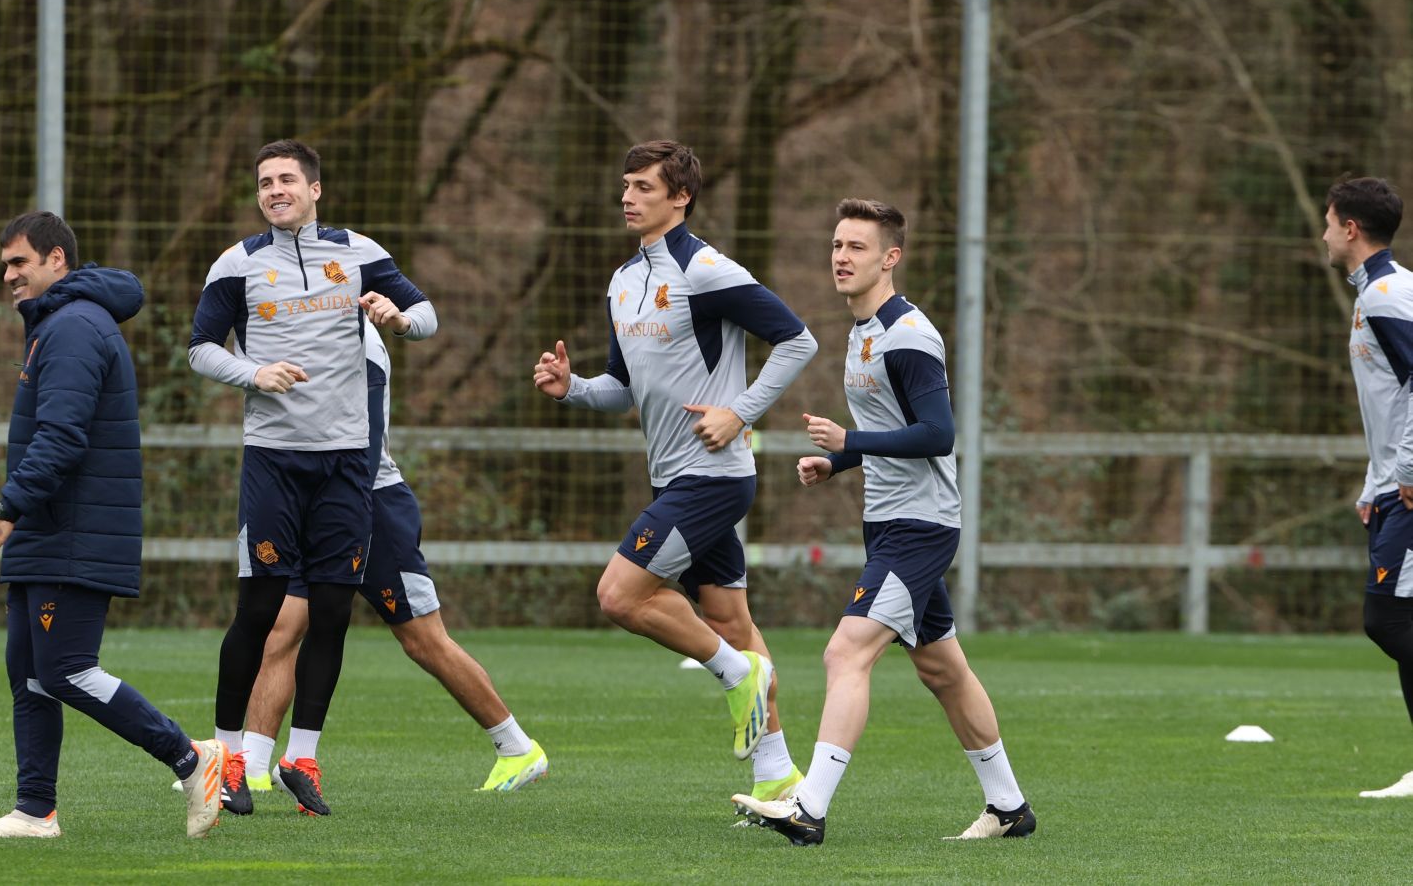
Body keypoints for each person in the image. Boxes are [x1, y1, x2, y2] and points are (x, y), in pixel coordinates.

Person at [732, 199, 1034, 845]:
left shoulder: (908, 336)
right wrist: (839, 460)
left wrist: (852, 441)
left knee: (845, 653)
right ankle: (1009, 809)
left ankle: (808, 809)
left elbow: (939, 435)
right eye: (837, 245)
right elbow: (897, 430)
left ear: (890, 258)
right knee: (942, 669)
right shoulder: (862, 329)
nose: (841, 256)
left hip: (921, 529)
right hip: (891, 520)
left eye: (857, 247)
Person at [533, 140, 817, 803]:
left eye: (643, 187)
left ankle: (733, 675)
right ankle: (778, 778)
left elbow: (798, 339)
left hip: (714, 477)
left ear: (680, 197)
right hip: (674, 479)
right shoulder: (622, 281)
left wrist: (739, 413)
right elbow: (622, 390)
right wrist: (571, 387)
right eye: (625, 186)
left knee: (619, 595)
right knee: (733, 623)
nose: (628, 198)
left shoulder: (708, 269)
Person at [0, 212, 224, 840]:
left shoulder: (73, 326)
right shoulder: (58, 324)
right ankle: (34, 810)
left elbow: (63, 437)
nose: (8, 275)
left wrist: (6, 513)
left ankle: (192, 758)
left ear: (56, 260)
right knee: (28, 672)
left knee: (66, 669)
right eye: (4, 265)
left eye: (19, 262)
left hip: (70, 530)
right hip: (50, 530)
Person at [189, 139, 436, 816]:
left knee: (331, 611)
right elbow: (200, 348)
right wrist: (254, 373)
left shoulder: (359, 253)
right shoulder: (237, 263)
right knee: (259, 612)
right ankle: (225, 758)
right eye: (265, 181)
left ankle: (303, 756)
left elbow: (427, 314)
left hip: (346, 463)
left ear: (315, 188)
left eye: (287, 179)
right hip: (273, 461)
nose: (275, 190)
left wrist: (399, 318)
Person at [236, 320, 547, 796]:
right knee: (282, 628)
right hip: (315, 503)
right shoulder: (304, 325)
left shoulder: (364, 345)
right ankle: (252, 768)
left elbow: (363, 450)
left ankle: (517, 747)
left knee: (425, 641)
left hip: (370, 505)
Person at [1328, 177, 1413, 799]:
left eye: (1328, 221)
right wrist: (1374, 479)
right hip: (1391, 488)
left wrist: (1407, 473)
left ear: (1351, 228)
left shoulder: (1387, 295)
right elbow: (1387, 400)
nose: (1324, 233)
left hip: (1409, 489)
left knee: (1387, 619)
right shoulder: (1377, 294)